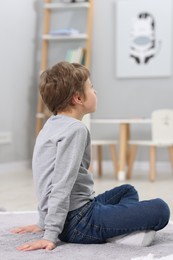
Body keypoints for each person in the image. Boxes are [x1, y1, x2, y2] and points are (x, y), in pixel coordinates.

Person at [11, 61, 170, 251]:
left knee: (127, 191)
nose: (95, 92)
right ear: (78, 98)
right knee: (161, 209)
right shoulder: (75, 130)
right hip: (79, 222)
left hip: (80, 208)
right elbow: (61, 184)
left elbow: (43, 179)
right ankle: (119, 232)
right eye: (92, 88)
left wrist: (43, 220)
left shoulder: (51, 125)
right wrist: (50, 233)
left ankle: (116, 225)